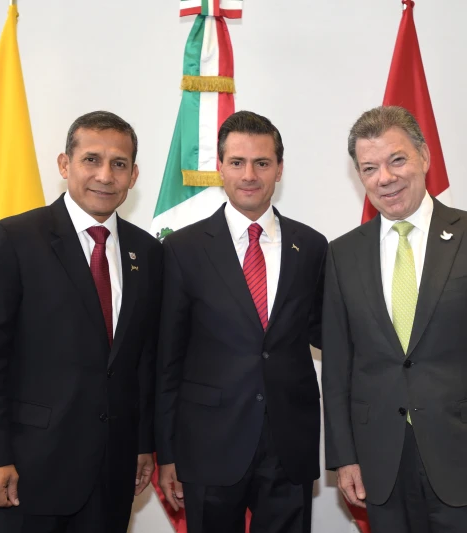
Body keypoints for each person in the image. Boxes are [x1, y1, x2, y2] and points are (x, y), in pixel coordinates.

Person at [322, 106, 467, 533]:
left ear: (424, 156)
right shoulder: (342, 254)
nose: (385, 177)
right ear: (359, 176)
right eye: (369, 168)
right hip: (381, 465)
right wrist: (343, 456)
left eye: (397, 160)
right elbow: (338, 367)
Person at [0, 111, 162, 533]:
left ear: (134, 174)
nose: (105, 175)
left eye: (119, 164)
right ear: (64, 165)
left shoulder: (147, 252)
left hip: (111, 472)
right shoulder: (12, 240)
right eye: (91, 159)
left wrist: (143, 444)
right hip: (25, 471)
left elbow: (142, 359)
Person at [155, 111, 327, 533]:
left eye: (262, 163)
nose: (249, 175)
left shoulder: (313, 245)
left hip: (289, 444)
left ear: (279, 170)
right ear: (219, 167)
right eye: (237, 162)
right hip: (208, 445)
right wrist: (167, 452)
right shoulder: (182, 249)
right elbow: (167, 359)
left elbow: (329, 335)